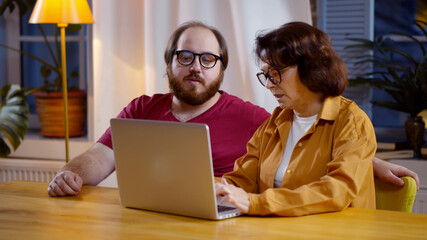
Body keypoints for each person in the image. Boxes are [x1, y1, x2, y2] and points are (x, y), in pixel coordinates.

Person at [47, 21, 419, 197]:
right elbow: (99, 156)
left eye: (208, 58)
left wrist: (367, 159)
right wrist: (71, 174)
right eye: (186, 56)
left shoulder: (253, 116)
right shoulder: (142, 107)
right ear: (169, 62)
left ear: (221, 68)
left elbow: (322, 148)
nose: (196, 66)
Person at [215, 22, 397, 216]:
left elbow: (337, 191)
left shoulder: (351, 121)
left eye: (276, 73)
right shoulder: (274, 122)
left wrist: (257, 203)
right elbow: (242, 179)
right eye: (266, 75)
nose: (268, 84)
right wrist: (211, 188)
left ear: (311, 67)